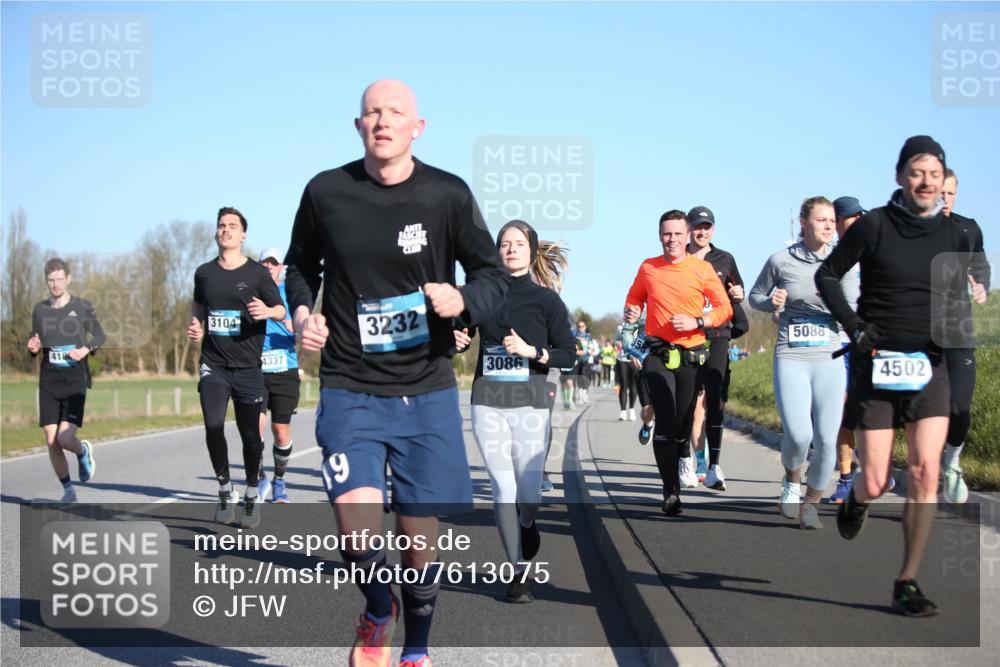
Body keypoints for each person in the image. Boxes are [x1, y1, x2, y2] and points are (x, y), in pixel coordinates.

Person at [283, 80, 508, 667]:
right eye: (372, 112)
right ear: (358, 125)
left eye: (395, 112)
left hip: (425, 389)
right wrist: (303, 313)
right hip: (349, 384)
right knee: (357, 529)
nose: (383, 121)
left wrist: (463, 300)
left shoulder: (447, 195)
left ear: (417, 127)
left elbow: (491, 275)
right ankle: (379, 610)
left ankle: (417, 648)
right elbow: (299, 267)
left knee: (416, 539)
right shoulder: (325, 192)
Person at [816, 135, 972, 616]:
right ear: (900, 176)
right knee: (878, 479)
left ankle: (907, 580)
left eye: (934, 174)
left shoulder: (957, 235)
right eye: (917, 173)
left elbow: (960, 300)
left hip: (931, 365)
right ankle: (858, 499)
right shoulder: (875, 225)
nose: (926, 182)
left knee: (925, 472)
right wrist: (855, 327)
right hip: (877, 362)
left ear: (943, 180)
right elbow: (826, 276)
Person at [454, 220, 575, 603]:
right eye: (505, 243)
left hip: (531, 402)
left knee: (529, 495)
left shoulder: (547, 301)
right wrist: (457, 340)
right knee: (503, 488)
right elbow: (458, 332)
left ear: (532, 251)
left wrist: (531, 352)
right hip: (487, 400)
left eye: (519, 244)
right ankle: (517, 571)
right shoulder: (481, 295)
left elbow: (568, 355)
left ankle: (527, 520)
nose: (510, 249)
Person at [750, 197, 857, 529]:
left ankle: (811, 502)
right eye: (822, 220)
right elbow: (755, 297)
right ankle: (792, 479)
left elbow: (852, 308)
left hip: (830, 356)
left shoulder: (843, 261)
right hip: (792, 355)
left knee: (826, 440)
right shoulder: (781, 260)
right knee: (798, 435)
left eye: (832, 221)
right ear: (803, 223)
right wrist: (772, 301)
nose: (829, 226)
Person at [624, 210, 732, 515]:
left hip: (691, 354)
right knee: (666, 420)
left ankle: (681, 461)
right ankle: (670, 490)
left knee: (683, 425)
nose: (671, 239)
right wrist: (632, 310)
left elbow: (724, 309)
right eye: (666, 234)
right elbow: (634, 298)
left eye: (677, 234)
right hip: (657, 353)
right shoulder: (648, 267)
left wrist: (698, 321)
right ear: (660, 236)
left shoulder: (701, 269)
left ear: (687, 237)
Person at [188, 208, 285, 529]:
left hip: (248, 368)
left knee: (250, 436)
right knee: (213, 425)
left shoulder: (257, 273)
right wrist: (197, 324)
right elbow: (198, 303)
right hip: (213, 364)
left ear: (243, 235)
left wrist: (267, 311)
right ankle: (224, 489)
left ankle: (252, 493)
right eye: (221, 225)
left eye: (232, 226)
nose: (225, 230)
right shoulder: (204, 273)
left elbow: (281, 310)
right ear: (216, 233)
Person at [28, 257, 105, 503]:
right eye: (51, 280)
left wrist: (85, 350)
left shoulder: (81, 306)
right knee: (51, 440)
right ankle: (69, 491)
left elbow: (100, 336)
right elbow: (35, 341)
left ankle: (83, 451)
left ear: (68, 279)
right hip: (49, 380)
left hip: (74, 380)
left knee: (64, 439)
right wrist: (32, 347)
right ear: (46, 281)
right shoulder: (40, 310)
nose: (56, 284)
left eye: (60, 279)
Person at [684, 206, 748, 492]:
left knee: (714, 398)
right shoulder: (679, 258)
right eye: (697, 226)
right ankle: (696, 459)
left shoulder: (725, 258)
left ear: (713, 229)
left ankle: (714, 466)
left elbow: (738, 290)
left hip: (718, 334)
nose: (702, 231)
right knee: (692, 403)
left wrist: (738, 293)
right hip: (689, 336)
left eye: (707, 226)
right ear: (688, 229)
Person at [938, 168, 990, 504]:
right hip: (918, 335)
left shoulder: (968, 228)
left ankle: (952, 461)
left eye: (951, 193)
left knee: (960, 406)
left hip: (958, 332)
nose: (945, 199)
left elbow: (981, 265)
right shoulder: (910, 231)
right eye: (940, 192)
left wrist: (981, 284)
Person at [828, 196, 866, 504]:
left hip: (871, 342)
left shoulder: (876, 250)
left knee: (868, 410)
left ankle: (874, 468)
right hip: (838, 341)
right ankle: (845, 479)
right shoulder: (829, 255)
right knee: (842, 411)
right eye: (852, 219)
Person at [256, 247, 300, 503]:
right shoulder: (250, 293)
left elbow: (302, 323)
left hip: (285, 368)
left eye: (274, 263)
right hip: (255, 370)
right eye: (265, 263)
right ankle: (259, 477)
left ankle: (279, 480)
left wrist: (295, 324)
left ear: (281, 267)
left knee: (281, 431)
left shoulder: (290, 293)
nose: (269, 267)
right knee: (255, 426)